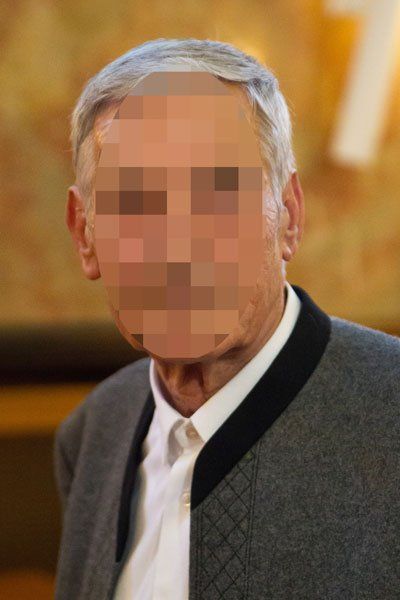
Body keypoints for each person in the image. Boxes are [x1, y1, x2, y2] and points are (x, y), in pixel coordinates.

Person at [54, 39, 400, 600]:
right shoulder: (94, 433)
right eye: (135, 201)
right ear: (85, 234)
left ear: (289, 216)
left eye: (217, 191)